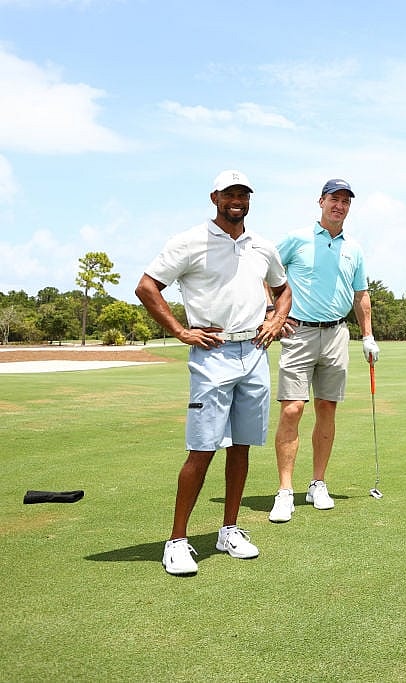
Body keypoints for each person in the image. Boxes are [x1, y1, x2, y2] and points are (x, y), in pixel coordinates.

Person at [136, 170, 292, 576]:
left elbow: (283, 288)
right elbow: (147, 287)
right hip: (214, 352)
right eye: (229, 193)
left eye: (243, 194)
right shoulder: (189, 242)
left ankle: (229, 529)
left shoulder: (262, 245)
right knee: (203, 448)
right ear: (215, 197)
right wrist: (180, 331)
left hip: (255, 352)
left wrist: (276, 319)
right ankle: (177, 541)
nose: (236, 200)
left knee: (241, 446)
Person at [267, 179, 378, 523]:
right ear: (321, 201)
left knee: (327, 408)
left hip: (336, 334)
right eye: (334, 199)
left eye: (345, 201)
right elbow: (266, 272)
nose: (339, 206)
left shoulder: (354, 249)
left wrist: (369, 335)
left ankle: (318, 483)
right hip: (298, 331)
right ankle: (285, 490)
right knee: (292, 410)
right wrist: (272, 312)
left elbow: (360, 295)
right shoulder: (297, 239)